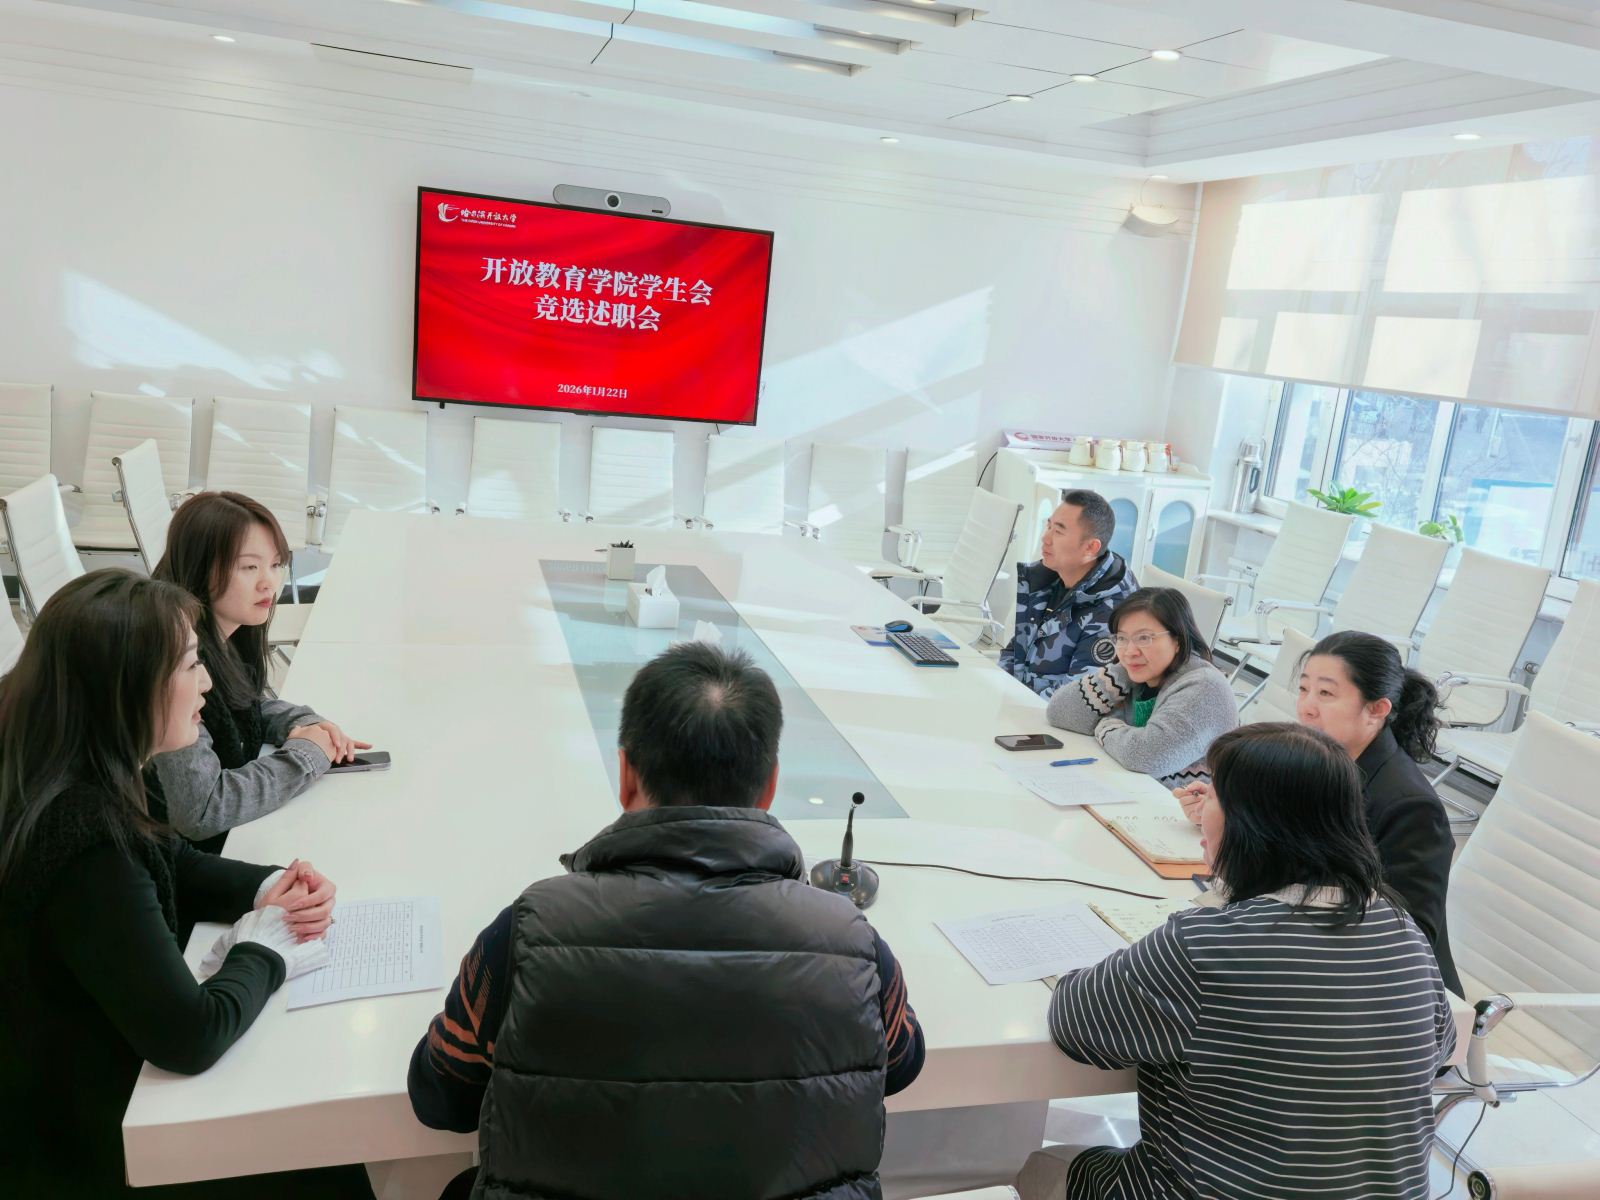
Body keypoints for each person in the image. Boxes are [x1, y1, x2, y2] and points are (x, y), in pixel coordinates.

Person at [410, 642, 924, 1200]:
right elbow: (901, 1065)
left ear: (626, 775)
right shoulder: (854, 946)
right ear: (771, 785)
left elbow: (441, 1097)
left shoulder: (525, 934)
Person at [0, 571, 344, 1198]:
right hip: (86, 1144)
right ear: (127, 686)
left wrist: (266, 886)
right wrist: (264, 945)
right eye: (191, 664)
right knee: (333, 1156)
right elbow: (190, 1036)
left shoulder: (70, 759)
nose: (207, 681)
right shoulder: (84, 839)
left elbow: (169, 860)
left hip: (82, 1089)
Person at [1019, 723, 1455, 1200]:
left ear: (1252, 825)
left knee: (1042, 1167)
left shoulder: (1203, 944)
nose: (1201, 810)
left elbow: (1074, 1022)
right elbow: (1441, 1048)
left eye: (1213, 797)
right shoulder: (1400, 928)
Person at [1177, 630, 1461, 995]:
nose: (1306, 707)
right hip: (1302, 943)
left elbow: (1409, 932)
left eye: (1326, 693)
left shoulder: (1411, 806)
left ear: (1377, 709)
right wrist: (1225, 813)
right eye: (1303, 689)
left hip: (1381, 989)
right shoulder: (1318, 767)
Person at [150, 491, 368, 851]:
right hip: (182, 862)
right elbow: (202, 810)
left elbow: (241, 706)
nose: (269, 582)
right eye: (249, 567)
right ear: (198, 566)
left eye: (276, 564)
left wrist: (302, 723)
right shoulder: (174, 661)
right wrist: (305, 757)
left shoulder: (226, 633)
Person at [1045, 587, 1237, 788]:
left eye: (1144, 638)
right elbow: (1059, 712)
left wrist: (1105, 726)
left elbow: (1146, 757)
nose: (1130, 651)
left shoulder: (1205, 687)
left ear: (1178, 640)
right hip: (1133, 791)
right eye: (1121, 638)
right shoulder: (1138, 675)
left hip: (1182, 804)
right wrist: (1122, 670)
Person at [998, 489, 1138, 697]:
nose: (1045, 538)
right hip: (1016, 701)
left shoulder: (1112, 613)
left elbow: (1075, 698)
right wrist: (995, 688)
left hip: (1048, 713)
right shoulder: (1050, 578)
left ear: (1091, 547)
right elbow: (1015, 653)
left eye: (1058, 531)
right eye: (1049, 526)